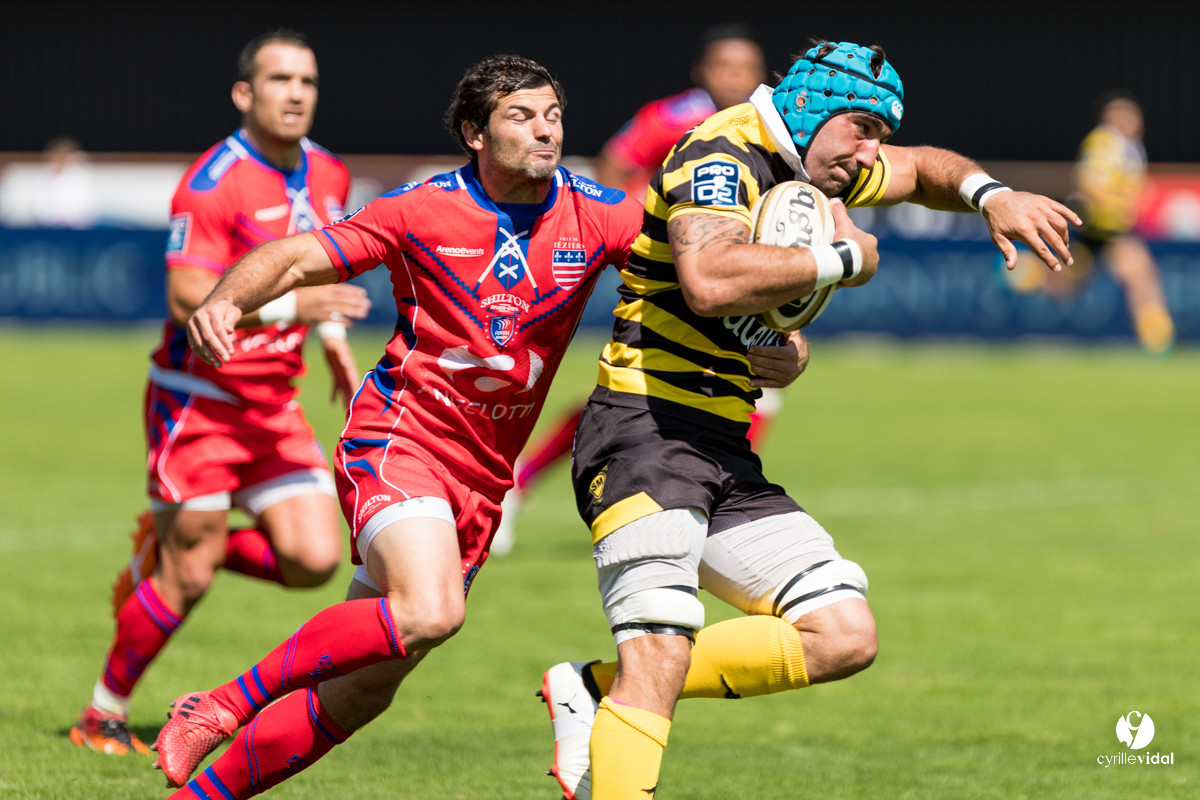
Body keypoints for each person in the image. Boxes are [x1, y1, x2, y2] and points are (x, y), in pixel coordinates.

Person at [146, 54, 810, 798]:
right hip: (399, 443)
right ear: (474, 132)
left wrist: (769, 340)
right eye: (521, 116)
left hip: (483, 479)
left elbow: (694, 278)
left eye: (553, 115)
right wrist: (227, 300)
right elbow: (300, 255)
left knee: (363, 690)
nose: (544, 130)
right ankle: (223, 704)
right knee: (431, 611)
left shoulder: (597, 212)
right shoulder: (419, 209)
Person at [538, 40, 1079, 800]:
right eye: (861, 128)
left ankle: (595, 689)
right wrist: (844, 259)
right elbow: (707, 277)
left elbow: (924, 170)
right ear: (809, 106)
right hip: (645, 430)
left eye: (879, 137)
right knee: (659, 649)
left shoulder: (816, 161)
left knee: (844, 634)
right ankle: (625, 698)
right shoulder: (723, 150)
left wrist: (992, 194)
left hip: (721, 444)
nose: (870, 154)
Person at [69, 29, 370, 757]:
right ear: (245, 93)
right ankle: (102, 714)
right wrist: (297, 312)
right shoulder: (212, 183)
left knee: (313, 561)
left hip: (271, 403)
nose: (296, 92)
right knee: (187, 580)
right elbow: (185, 295)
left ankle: (182, 548)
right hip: (196, 402)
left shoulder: (328, 172)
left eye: (308, 80)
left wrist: (330, 345)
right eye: (279, 79)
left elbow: (322, 271)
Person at [490, 23, 771, 557]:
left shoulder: (762, 126)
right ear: (703, 72)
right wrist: (660, 230)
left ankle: (707, 498)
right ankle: (517, 484)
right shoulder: (671, 118)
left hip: (736, 272)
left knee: (756, 393)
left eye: (747, 69)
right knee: (638, 386)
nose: (736, 77)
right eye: (726, 67)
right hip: (671, 272)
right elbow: (612, 169)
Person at [1004, 91, 1175, 354]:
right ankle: (1026, 274)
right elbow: (1089, 183)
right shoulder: (1105, 143)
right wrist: (1119, 202)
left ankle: (1157, 341)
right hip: (1093, 226)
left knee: (1140, 274)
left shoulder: (1131, 147)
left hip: (1113, 230)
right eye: (1125, 116)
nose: (1132, 121)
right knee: (1066, 285)